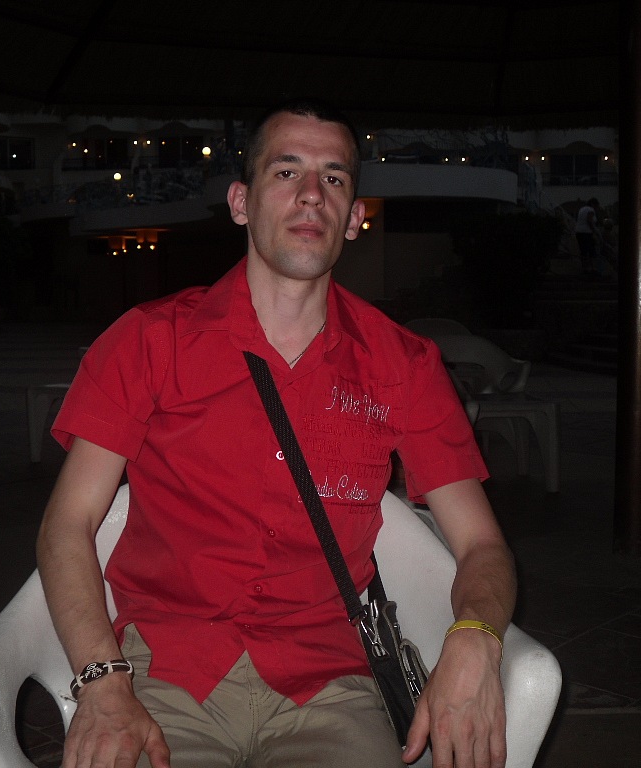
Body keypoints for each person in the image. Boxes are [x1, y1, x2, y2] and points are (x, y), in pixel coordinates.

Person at [37, 100, 516, 768]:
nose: (312, 193)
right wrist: (102, 682)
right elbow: (67, 524)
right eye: (286, 172)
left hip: (330, 683)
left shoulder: (404, 365)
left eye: (334, 177)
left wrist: (474, 635)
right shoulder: (149, 341)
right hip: (166, 674)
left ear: (355, 217)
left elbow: (483, 545)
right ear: (241, 202)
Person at [574, 198, 602, 279]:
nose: (597, 208)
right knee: (591, 250)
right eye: (596, 206)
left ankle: (585, 269)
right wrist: (594, 231)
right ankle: (592, 269)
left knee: (583, 251)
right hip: (586, 233)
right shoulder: (591, 210)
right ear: (593, 204)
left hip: (578, 232)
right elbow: (589, 220)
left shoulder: (582, 209)